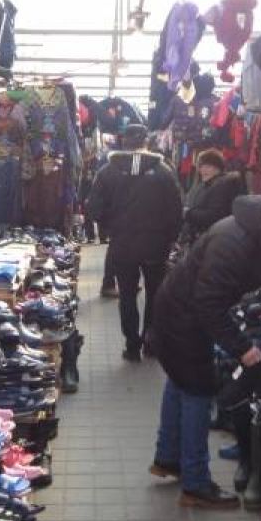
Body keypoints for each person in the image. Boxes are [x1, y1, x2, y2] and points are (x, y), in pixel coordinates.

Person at [149, 195, 261, 508]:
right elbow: (208, 303)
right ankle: (195, 484)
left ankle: (168, 458)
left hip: (186, 310)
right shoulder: (232, 243)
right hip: (182, 317)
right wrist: (243, 348)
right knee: (198, 389)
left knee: (180, 382)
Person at [86, 124, 183, 362]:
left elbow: (93, 208)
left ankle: (132, 345)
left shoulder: (107, 171)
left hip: (123, 243)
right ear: (146, 142)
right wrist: (170, 237)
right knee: (155, 293)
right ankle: (151, 340)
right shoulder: (164, 171)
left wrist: (110, 227)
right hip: (156, 244)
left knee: (127, 295)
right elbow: (176, 209)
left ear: (123, 141)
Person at [183, 149, 247, 242]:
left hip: (215, 239)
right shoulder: (209, 184)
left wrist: (188, 213)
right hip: (208, 237)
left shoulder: (222, 185)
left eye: (208, 167)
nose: (203, 170)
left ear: (218, 168)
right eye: (201, 167)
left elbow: (214, 216)